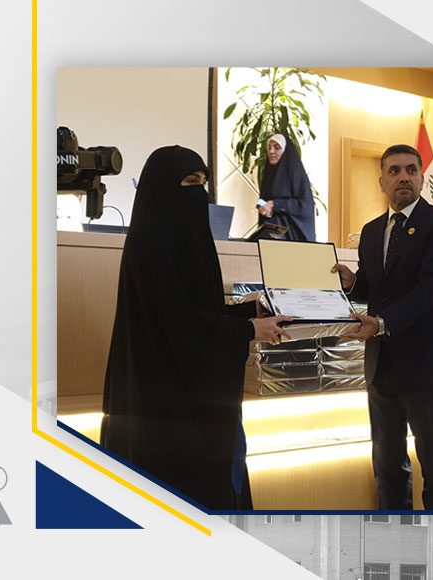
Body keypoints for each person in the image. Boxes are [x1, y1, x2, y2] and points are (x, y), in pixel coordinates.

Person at [100, 145, 292, 510]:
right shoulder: (151, 244)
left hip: (185, 409)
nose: (198, 192)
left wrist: (251, 310)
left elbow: (199, 310)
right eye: (190, 182)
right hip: (165, 414)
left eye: (203, 182)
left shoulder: (183, 240)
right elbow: (178, 326)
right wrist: (250, 331)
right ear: (162, 187)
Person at [331, 144, 433, 510]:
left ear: (421, 178)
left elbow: (432, 288)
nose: (403, 177)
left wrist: (382, 322)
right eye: (394, 171)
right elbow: (376, 288)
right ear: (381, 182)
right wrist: (351, 283)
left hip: (426, 365)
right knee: (387, 465)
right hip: (382, 366)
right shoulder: (372, 231)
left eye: (410, 170)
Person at [257, 133, 316, 241]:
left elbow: (305, 206)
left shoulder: (296, 175)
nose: (271, 151)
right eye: (269, 148)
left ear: (285, 151)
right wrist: (262, 206)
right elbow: (263, 200)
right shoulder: (268, 175)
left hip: (292, 238)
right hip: (271, 238)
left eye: (276, 148)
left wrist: (276, 205)